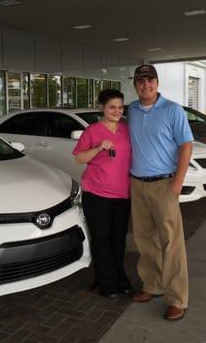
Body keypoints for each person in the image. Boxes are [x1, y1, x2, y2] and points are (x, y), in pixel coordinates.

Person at [127, 64, 193, 321]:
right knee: (144, 239)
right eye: (141, 81)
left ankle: (177, 298)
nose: (146, 85)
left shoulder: (173, 110)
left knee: (171, 243)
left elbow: (186, 146)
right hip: (137, 184)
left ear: (157, 82)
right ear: (135, 85)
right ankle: (151, 285)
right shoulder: (131, 110)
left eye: (150, 80)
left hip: (164, 184)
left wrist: (178, 181)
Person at [73, 89, 132, 299]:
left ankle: (119, 278)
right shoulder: (93, 130)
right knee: (101, 239)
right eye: (112, 107)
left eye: (120, 107)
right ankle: (107, 284)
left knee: (118, 239)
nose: (116, 111)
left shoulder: (126, 129)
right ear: (102, 108)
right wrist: (98, 148)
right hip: (97, 195)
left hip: (122, 195)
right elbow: (79, 158)